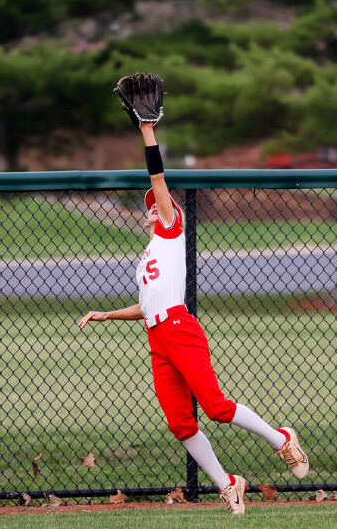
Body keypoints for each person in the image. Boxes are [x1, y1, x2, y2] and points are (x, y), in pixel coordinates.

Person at [78, 82, 309, 515]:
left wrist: (147, 132)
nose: (153, 206)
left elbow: (157, 177)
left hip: (180, 329)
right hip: (157, 337)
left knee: (216, 408)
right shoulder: (148, 254)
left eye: (159, 203)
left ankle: (282, 438)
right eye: (149, 205)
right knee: (180, 423)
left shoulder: (171, 230)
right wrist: (108, 314)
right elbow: (147, 306)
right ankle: (229, 484)